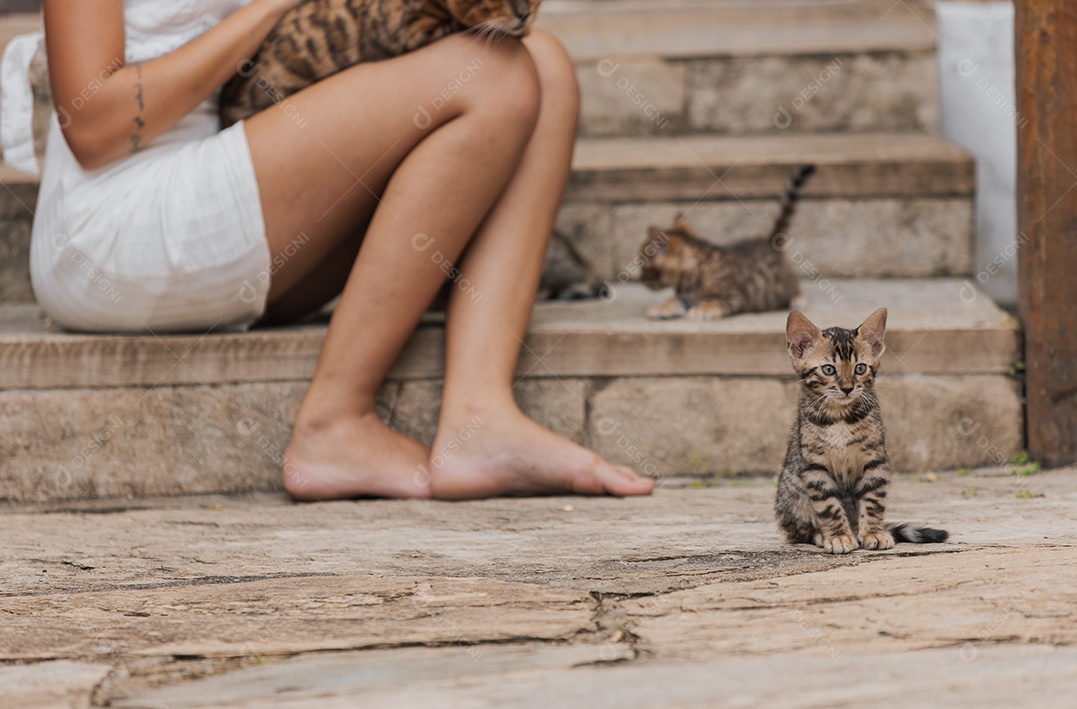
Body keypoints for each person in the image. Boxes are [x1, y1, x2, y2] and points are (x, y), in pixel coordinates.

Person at [25, 0, 654, 500]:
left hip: (232, 211)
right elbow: (96, 126)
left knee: (538, 60)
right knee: (495, 75)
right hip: (114, 227)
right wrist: (267, 11)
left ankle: (480, 414)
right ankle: (334, 421)